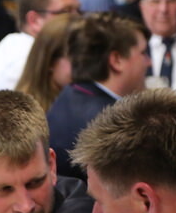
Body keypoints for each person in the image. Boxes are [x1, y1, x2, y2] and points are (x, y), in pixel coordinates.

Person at [47, 13, 149, 178]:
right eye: (143, 53)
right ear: (117, 60)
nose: (148, 62)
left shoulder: (66, 97)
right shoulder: (118, 125)